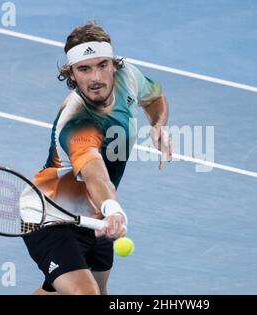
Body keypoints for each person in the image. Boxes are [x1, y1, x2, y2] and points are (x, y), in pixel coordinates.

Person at [22, 21, 172, 295]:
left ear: (114, 64)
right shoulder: (76, 122)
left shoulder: (127, 76)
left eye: (103, 65)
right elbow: (95, 174)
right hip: (49, 215)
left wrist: (158, 124)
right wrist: (112, 208)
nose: (96, 77)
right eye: (84, 69)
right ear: (71, 74)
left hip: (93, 216)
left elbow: (154, 98)